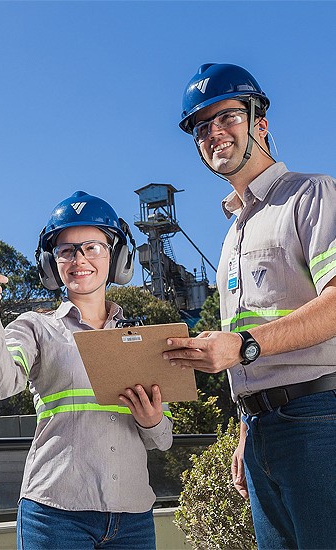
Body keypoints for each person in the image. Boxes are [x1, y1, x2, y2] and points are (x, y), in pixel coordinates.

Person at [167, 63, 336, 548]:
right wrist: (246, 431)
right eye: (201, 127)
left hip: (318, 421)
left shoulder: (311, 194)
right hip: (261, 429)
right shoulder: (230, 236)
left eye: (227, 118)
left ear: (260, 122)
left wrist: (242, 346)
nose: (213, 133)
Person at [0, 191, 173, 550]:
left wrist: (152, 420)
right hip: (55, 516)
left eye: (92, 247)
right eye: (66, 250)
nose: (79, 259)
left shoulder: (139, 340)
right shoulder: (34, 327)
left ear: (118, 256)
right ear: (51, 264)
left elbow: (164, 440)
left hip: (133, 519)